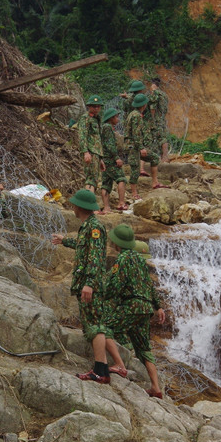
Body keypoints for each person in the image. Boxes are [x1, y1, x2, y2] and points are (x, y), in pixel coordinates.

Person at [50, 190, 116, 383]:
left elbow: (95, 257)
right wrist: (64, 240)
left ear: (80, 207)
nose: (73, 207)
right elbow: (83, 245)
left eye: (74, 204)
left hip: (90, 284)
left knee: (95, 326)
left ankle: (100, 371)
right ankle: (102, 370)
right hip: (87, 283)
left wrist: (89, 283)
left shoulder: (94, 227)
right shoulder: (88, 226)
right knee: (93, 325)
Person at [104, 225, 166, 399]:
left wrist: (103, 295)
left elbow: (115, 284)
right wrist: (158, 306)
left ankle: (119, 364)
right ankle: (156, 388)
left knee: (103, 327)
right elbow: (149, 285)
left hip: (132, 306)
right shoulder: (139, 259)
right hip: (146, 309)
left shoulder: (122, 259)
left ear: (117, 243)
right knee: (144, 347)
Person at [123, 93, 154, 202]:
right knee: (135, 169)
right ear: (144, 105)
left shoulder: (132, 114)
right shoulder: (136, 116)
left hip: (131, 145)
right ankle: (134, 193)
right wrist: (141, 147)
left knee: (136, 167)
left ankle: (134, 191)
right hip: (133, 146)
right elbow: (136, 133)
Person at [99, 108, 128, 214]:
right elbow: (109, 144)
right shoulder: (107, 127)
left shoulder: (105, 127)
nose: (118, 119)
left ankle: (106, 208)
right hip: (110, 159)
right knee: (121, 179)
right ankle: (121, 203)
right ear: (111, 118)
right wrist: (116, 157)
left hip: (104, 159)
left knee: (106, 184)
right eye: (116, 117)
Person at [77, 95, 106, 195]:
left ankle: (90, 200)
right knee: (91, 179)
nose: (96, 108)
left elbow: (96, 139)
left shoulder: (96, 119)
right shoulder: (85, 118)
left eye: (98, 106)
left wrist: (100, 158)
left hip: (95, 153)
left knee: (94, 178)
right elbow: (82, 135)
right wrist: (85, 152)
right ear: (89, 106)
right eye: (94, 106)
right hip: (90, 152)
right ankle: (89, 202)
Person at [147, 77, 170, 176]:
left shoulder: (155, 93)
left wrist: (151, 119)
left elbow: (152, 107)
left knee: (160, 138)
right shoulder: (164, 94)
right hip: (162, 118)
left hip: (156, 119)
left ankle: (164, 157)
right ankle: (164, 157)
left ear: (153, 85)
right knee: (163, 137)